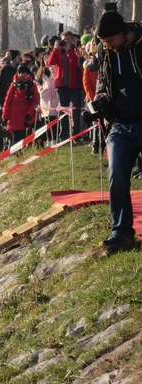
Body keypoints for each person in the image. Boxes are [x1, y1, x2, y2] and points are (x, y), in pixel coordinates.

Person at [94, 11, 142, 254]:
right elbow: (102, 82)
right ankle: (122, 232)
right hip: (120, 124)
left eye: (111, 41)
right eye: (105, 43)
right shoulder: (105, 52)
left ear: (124, 33)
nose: (109, 46)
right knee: (117, 175)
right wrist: (99, 100)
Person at [48, 31, 83, 140]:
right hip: (62, 85)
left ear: (72, 39)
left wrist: (69, 51)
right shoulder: (59, 51)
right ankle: (64, 135)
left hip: (74, 85)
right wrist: (55, 49)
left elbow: (77, 63)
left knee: (75, 110)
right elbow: (51, 62)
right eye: (64, 39)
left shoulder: (76, 50)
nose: (66, 41)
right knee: (63, 111)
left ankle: (76, 134)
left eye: (68, 39)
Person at [3, 64, 40, 145]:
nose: (21, 75)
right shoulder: (13, 84)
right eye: (19, 73)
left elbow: (35, 100)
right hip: (14, 117)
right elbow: (7, 101)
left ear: (27, 73)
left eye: (23, 73)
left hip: (27, 116)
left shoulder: (32, 85)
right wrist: (5, 116)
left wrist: (30, 113)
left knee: (27, 138)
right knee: (15, 140)